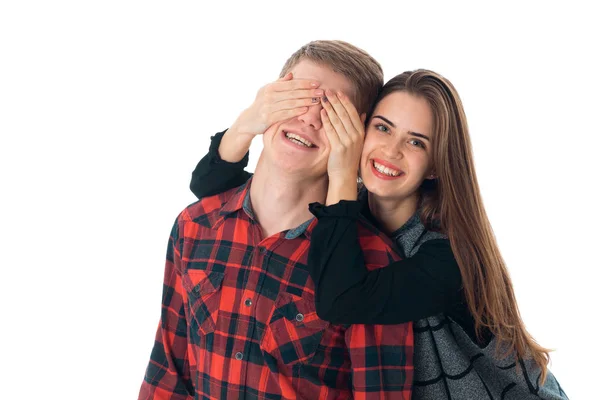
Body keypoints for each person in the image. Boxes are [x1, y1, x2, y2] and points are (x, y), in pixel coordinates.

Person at [188, 70, 568, 398]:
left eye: (416, 141)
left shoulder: (448, 256)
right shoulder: (347, 216)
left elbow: (342, 301)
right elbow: (212, 190)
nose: (391, 150)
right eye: (382, 128)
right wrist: (247, 123)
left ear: (435, 166)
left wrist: (341, 172)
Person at [139, 40, 416, 400]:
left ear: (356, 136)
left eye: (333, 112)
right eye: (298, 97)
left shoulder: (375, 264)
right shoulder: (195, 225)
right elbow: (167, 374)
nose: (310, 118)